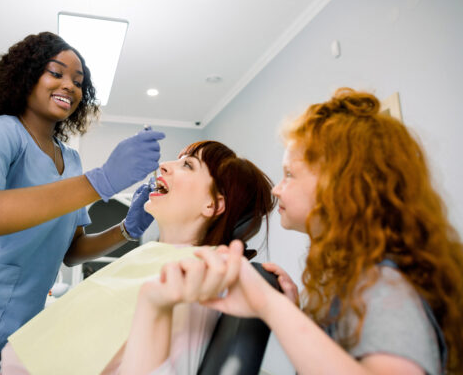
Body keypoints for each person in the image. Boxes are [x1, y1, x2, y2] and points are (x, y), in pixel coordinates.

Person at [0, 31, 165, 375]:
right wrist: (102, 181)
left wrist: (128, 229)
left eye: (78, 81)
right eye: (56, 73)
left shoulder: (72, 160)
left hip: (14, 330)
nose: (70, 86)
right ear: (26, 78)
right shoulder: (0, 133)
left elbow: (71, 250)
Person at [152, 88, 463, 375]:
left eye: (290, 174)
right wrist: (294, 316)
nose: (277, 190)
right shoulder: (352, 283)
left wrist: (268, 305)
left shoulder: (383, 285)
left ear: (340, 187)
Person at [0, 140, 277, 374]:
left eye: (188, 165)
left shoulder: (197, 277)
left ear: (213, 204)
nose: (164, 165)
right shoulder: (158, 255)